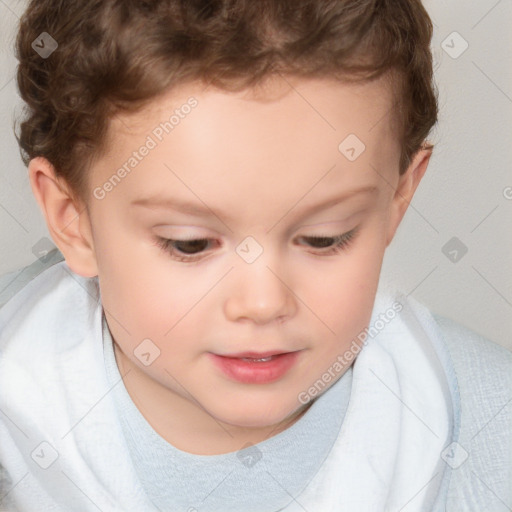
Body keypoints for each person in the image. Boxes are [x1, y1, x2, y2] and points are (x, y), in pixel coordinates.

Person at [0, 1, 510, 511]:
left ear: (397, 199)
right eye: (190, 244)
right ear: (74, 219)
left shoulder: (486, 429)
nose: (263, 303)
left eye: (325, 237)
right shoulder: (18, 393)